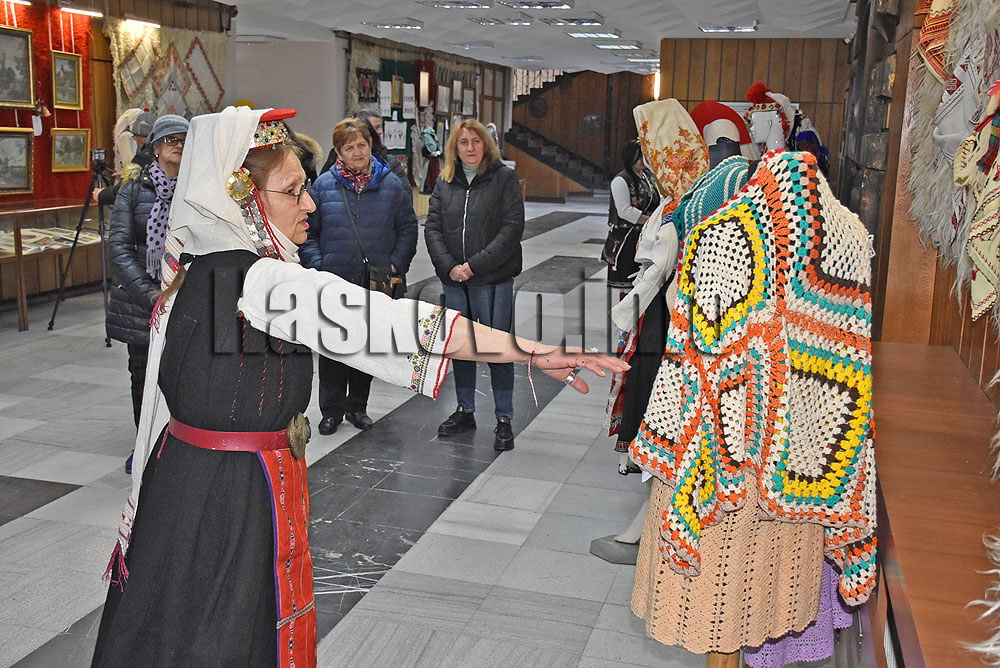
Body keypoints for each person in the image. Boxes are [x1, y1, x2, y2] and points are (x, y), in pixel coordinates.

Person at [91, 106, 626, 667]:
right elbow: (393, 322)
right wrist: (531, 350)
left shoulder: (189, 268)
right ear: (243, 199)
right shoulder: (262, 281)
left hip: (178, 481)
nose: (309, 204)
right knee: (229, 627)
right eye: (292, 191)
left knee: (172, 618)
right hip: (234, 494)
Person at [300, 118, 418, 435]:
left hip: (375, 280)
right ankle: (331, 411)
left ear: (370, 146)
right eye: (349, 147)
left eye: (362, 145)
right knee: (333, 347)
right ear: (338, 152)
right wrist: (319, 265)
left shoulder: (390, 184)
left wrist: (395, 265)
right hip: (334, 279)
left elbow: (407, 228)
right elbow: (308, 232)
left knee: (367, 345)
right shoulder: (323, 186)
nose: (357, 152)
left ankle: (357, 407)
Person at [424, 119, 524, 451]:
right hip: (455, 281)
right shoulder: (445, 181)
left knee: (497, 349)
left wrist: (474, 265)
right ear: (455, 147)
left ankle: (504, 417)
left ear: (486, 144)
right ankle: (465, 410)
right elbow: (432, 227)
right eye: (463, 142)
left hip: (493, 279)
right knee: (461, 347)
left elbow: (512, 228)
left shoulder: (504, 178)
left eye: (476, 141)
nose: (470, 147)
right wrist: (450, 267)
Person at [104, 113, 189, 474]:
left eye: (184, 140)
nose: (178, 146)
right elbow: (120, 247)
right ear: (155, 147)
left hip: (185, 297)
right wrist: (151, 295)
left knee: (180, 374)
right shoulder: (134, 189)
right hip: (141, 301)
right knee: (142, 375)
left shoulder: (196, 189)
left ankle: (180, 444)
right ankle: (145, 445)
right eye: (171, 140)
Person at [605, 139, 660, 292]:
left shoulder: (646, 176)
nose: (643, 160)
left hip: (643, 234)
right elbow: (625, 211)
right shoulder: (620, 180)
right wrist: (651, 221)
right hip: (627, 237)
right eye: (639, 157)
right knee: (627, 282)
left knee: (643, 282)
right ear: (630, 158)